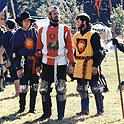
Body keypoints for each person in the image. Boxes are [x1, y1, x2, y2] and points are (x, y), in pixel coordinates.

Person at [36, 6, 76, 120]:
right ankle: (46, 114)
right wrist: (38, 65)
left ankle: (61, 115)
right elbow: (39, 48)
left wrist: (71, 64)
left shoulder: (65, 29)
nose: (56, 15)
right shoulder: (42, 30)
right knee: (44, 89)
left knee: (61, 89)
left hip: (61, 63)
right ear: (49, 15)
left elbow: (69, 48)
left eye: (57, 13)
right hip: (47, 62)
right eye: (54, 13)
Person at [73, 13, 104, 116]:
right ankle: (84, 109)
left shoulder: (93, 35)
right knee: (81, 88)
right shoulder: (76, 35)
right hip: (79, 65)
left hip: (90, 64)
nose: (77, 24)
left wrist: (95, 65)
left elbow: (98, 52)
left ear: (84, 22)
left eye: (78, 22)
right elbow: (75, 50)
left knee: (95, 88)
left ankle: (100, 110)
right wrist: (72, 64)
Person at [13, 11, 39, 113]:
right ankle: (22, 108)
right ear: (21, 22)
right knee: (23, 87)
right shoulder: (18, 34)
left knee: (35, 86)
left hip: (34, 62)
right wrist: (18, 68)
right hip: (23, 62)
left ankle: (32, 109)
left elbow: (39, 48)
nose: (27, 22)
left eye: (28, 20)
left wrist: (39, 64)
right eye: (25, 21)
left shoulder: (35, 32)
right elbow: (14, 52)